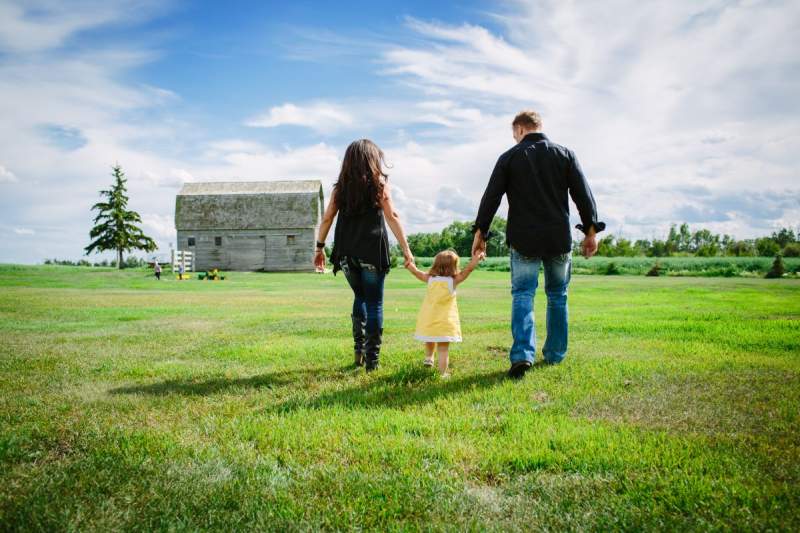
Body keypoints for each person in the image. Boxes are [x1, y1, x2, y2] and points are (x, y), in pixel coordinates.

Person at [471, 110, 605, 379]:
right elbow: (583, 194)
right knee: (558, 295)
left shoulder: (509, 158)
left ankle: (522, 355)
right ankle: (555, 355)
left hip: (523, 239)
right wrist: (591, 231)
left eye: (514, 135)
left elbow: (491, 198)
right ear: (538, 127)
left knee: (523, 294)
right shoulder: (564, 154)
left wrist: (480, 233)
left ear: (520, 130)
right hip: (557, 238)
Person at [315, 139, 414, 372]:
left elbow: (327, 218)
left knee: (360, 297)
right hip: (372, 252)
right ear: (372, 159)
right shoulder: (379, 185)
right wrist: (407, 250)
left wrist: (319, 248)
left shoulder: (341, 189)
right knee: (374, 302)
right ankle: (373, 361)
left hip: (347, 254)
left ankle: (358, 352)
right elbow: (393, 217)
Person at [406, 249, 484, 376]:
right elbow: (467, 270)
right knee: (443, 349)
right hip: (445, 322)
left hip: (429, 319)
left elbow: (417, 273)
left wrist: (409, 265)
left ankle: (429, 358)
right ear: (454, 267)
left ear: (436, 265)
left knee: (429, 339)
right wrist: (475, 259)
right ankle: (443, 374)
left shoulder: (430, 279)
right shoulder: (453, 281)